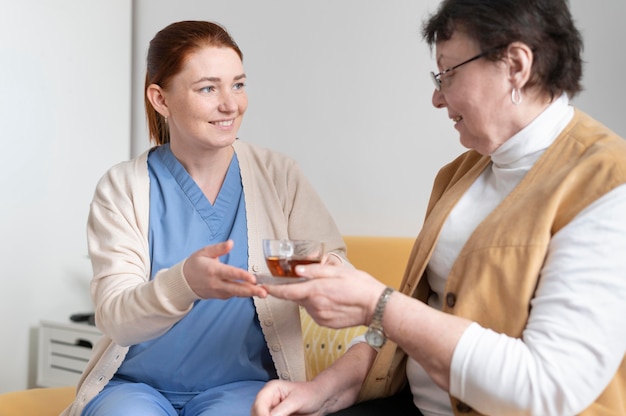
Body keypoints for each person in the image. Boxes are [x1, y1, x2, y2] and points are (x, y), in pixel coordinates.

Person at [252, 0, 626, 415]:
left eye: (448, 73)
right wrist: (320, 391)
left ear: (516, 66)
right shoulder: (459, 175)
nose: (436, 96)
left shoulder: (607, 181)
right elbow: (403, 330)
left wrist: (377, 303)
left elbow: (547, 389)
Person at [61, 20, 346, 416]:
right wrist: (185, 284)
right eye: (208, 88)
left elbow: (336, 265)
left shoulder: (278, 175)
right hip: (134, 387)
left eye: (239, 84)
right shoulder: (123, 187)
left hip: (242, 387)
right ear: (161, 100)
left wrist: (320, 271)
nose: (230, 104)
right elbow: (115, 317)